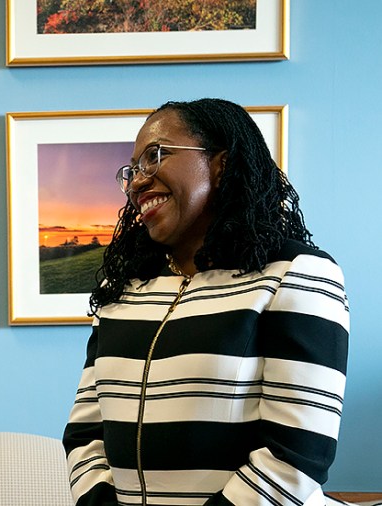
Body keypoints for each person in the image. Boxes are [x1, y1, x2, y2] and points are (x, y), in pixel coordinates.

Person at [63, 98, 349, 505]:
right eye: (132, 170)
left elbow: (296, 457)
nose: (138, 181)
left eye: (155, 156)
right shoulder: (122, 287)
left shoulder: (295, 273)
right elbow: (85, 435)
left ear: (221, 163)